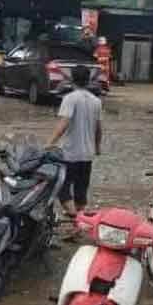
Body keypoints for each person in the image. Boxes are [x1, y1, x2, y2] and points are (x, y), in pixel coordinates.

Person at [45, 64, 102, 217]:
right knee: (81, 189)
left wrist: (49, 143)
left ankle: (74, 216)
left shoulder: (70, 99)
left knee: (60, 186)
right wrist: (97, 147)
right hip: (87, 154)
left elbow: (63, 124)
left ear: (72, 80)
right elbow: (98, 128)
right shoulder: (96, 101)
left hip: (70, 153)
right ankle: (79, 220)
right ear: (88, 80)